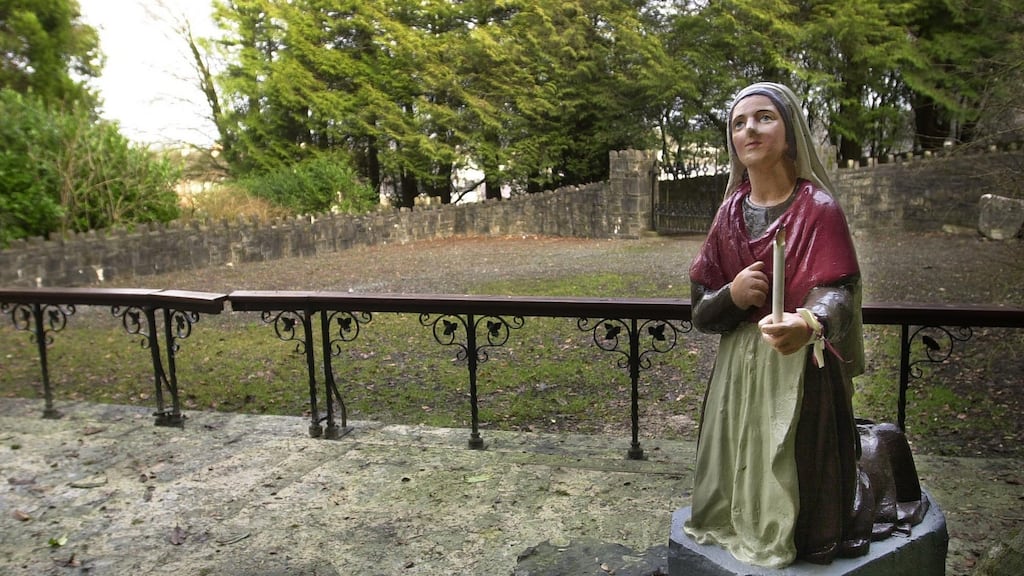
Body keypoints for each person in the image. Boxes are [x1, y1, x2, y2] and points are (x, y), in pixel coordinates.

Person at [683, 82, 925, 568]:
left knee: (797, 464)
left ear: (790, 131)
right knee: (737, 455)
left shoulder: (817, 209)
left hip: (799, 366)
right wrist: (731, 296)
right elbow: (700, 307)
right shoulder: (729, 214)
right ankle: (739, 516)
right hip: (738, 370)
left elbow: (839, 288)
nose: (750, 129)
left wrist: (808, 321)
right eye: (738, 123)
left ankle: (797, 529)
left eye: (764, 117)